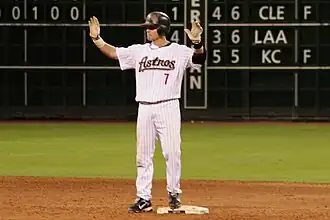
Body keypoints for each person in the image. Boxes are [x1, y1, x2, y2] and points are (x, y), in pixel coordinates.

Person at [88, 11, 206, 213]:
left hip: (168, 106)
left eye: (150, 27)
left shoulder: (178, 51)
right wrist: (97, 39)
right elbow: (113, 53)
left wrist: (197, 43)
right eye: (147, 28)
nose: (148, 31)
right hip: (144, 107)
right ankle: (143, 197)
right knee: (143, 156)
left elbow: (200, 60)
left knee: (172, 153)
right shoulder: (139, 51)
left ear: (162, 29)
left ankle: (174, 194)